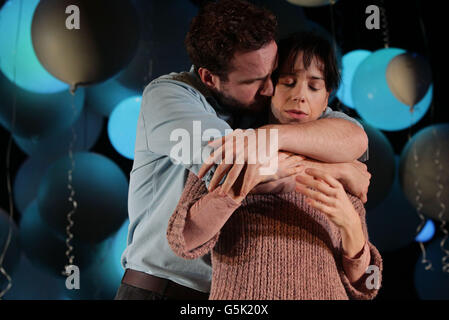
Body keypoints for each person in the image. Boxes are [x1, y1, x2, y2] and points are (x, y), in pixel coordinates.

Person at [116, 0, 369, 300]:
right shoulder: (169, 97)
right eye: (255, 81)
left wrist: (272, 135)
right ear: (210, 77)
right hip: (162, 287)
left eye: (274, 74)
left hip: (226, 293)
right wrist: (336, 171)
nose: (271, 89)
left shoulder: (266, 110)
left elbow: (352, 138)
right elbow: (238, 170)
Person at [166, 31, 382, 300]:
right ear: (268, 88)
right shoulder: (231, 146)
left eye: (314, 87)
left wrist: (350, 225)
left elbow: (366, 284)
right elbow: (183, 239)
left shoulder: (342, 160)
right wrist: (235, 190)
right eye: (288, 82)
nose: (300, 96)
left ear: (327, 99)